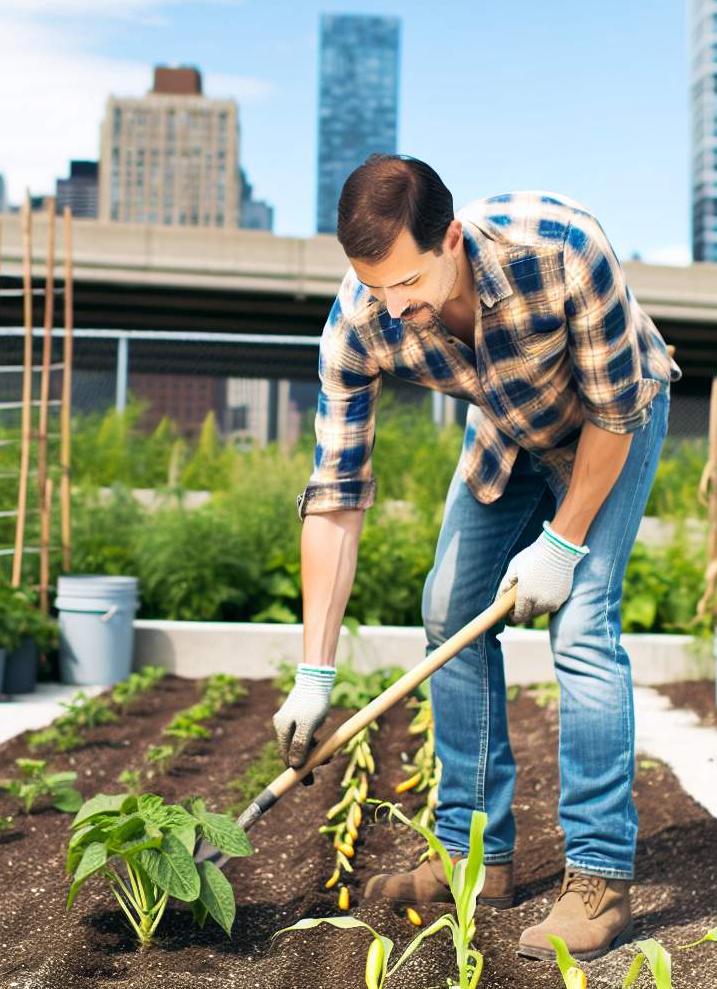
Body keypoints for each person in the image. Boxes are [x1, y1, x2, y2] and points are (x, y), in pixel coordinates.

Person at [272, 153, 680, 961]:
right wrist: (313, 673)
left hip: (613, 423)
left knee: (582, 626)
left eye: (409, 285)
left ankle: (598, 877)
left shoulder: (561, 249)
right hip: (509, 428)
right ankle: (472, 856)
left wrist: (561, 545)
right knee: (448, 612)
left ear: (451, 239)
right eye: (374, 286)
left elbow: (611, 414)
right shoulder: (363, 316)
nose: (394, 308)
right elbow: (336, 496)